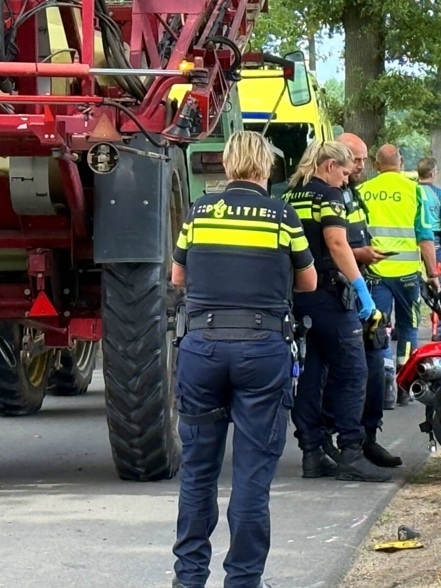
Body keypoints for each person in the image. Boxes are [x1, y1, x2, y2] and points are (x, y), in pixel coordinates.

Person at [170, 130, 317, 588]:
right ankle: (243, 581)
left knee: (197, 472)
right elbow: (308, 281)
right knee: (251, 476)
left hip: (202, 347)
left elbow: (179, 276)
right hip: (262, 348)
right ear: (266, 166)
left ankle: (189, 579)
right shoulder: (281, 215)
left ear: (228, 164)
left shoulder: (198, 213)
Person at [284, 140, 391, 483]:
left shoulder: (289, 196)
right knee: (352, 371)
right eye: (344, 173)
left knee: (313, 372)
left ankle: (312, 452)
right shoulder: (327, 195)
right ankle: (350, 452)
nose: (346, 181)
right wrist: (361, 288)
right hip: (329, 292)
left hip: (299, 295)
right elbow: (336, 242)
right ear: (329, 165)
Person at [319, 132, 402, 468]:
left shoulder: (351, 193)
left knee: (373, 363)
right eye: (356, 159)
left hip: (360, 284)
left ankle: (368, 435)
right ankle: (336, 439)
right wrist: (359, 255)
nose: (362, 165)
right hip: (339, 290)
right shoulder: (329, 193)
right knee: (343, 371)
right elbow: (327, 247)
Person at [358, 144, 440, 408]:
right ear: (401, 162)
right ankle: (405, 385)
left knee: (378, 328)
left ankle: (385, 385)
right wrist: (432, 274)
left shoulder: (363, 191)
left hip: (375, 272)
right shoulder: (415, 190)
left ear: (377, 164)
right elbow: (426, 237)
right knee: (408, 329)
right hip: (406, 275)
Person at [416, 156, 441, 341]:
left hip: (412, 240)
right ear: (433, 173)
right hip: (434, 241)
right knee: (437, 283)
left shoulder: (412, 190)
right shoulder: (439, 194)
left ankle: (405, 325)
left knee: (410, 282)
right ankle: (437, 330)